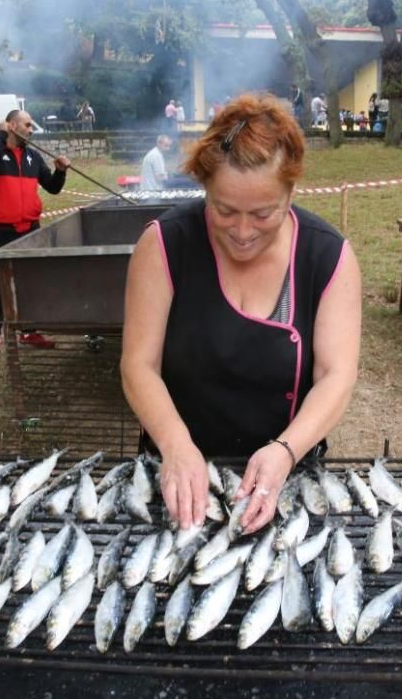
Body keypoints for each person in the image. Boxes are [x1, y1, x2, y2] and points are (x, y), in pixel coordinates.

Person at [121, 93, 361, 533]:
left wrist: (286, 451)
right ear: (204, 189)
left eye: (263, 213)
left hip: (284, 475)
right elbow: (138, 365)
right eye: (224, 210)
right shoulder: (164, 246)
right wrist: (176, 446)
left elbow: (336, 376)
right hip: (176, 474)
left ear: (291, 191)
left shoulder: (326, 258)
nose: (243, 231)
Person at [0, 109, 70, 360]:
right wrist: (1, 135)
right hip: (1, 231)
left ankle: (29, 331)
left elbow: (52, 188)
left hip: (30, 230)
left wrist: (60, 171)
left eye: (31, 126)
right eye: (26, 125)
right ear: (12, 125)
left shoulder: (33, 157)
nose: (31, 130)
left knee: (30, 281)